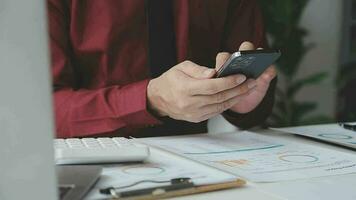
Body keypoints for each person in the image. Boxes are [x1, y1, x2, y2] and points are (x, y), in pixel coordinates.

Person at [48, 0, 277, 138]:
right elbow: (40, 112)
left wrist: (237, 98)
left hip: (200, 163)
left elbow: (255, 98)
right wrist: (150, 100)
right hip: (86, 164)